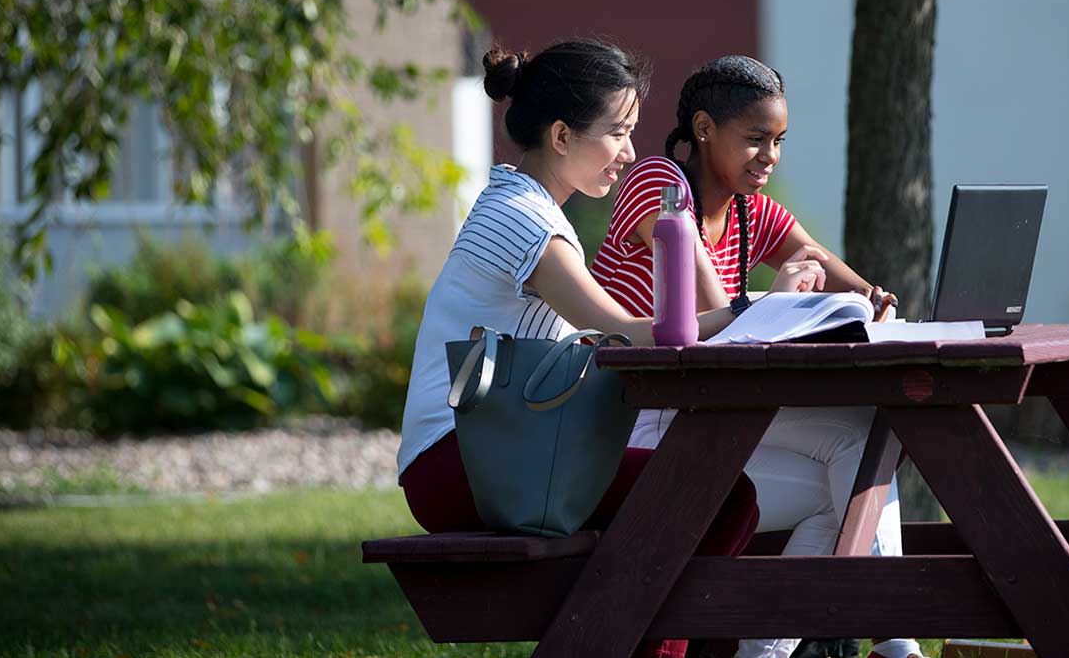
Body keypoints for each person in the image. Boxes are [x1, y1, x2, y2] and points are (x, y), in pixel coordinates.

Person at [396, 40, 830, 658]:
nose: (629, 153)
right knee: (715, 496)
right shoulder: (526, 220)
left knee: (712, 496)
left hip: (496, 456)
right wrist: (756, 307)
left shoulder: (527, 206)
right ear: (563, 136)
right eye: (617, 132)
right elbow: (627, 330)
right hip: (464, 464)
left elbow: (611, 339)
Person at [590, 55, 924, 658]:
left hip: (698, 419)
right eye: (755, 139)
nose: (769, 155)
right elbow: (720, 321)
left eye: (779, 141)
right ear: (703, 129)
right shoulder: (659, 187)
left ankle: (864, 646)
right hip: (631, 429)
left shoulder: (749, 212)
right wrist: (781, 294)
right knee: (852, 466)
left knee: (852, 478)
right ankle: (892, 641)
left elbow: (815, 255)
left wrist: (871, 299)